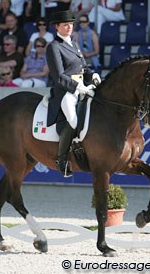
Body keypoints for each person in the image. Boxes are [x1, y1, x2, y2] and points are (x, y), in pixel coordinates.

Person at [46, 10, 101, 177]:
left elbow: (83, 68)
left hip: (82, 88)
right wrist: (77, 87)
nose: (69, 27)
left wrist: (92, 75)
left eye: (71, 24)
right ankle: (61, 160)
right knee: (74, 120)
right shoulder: (53, 47)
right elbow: (59, 77)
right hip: (66, 92)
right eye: (65, 25)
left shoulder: (74, 44)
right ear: (57, 27)